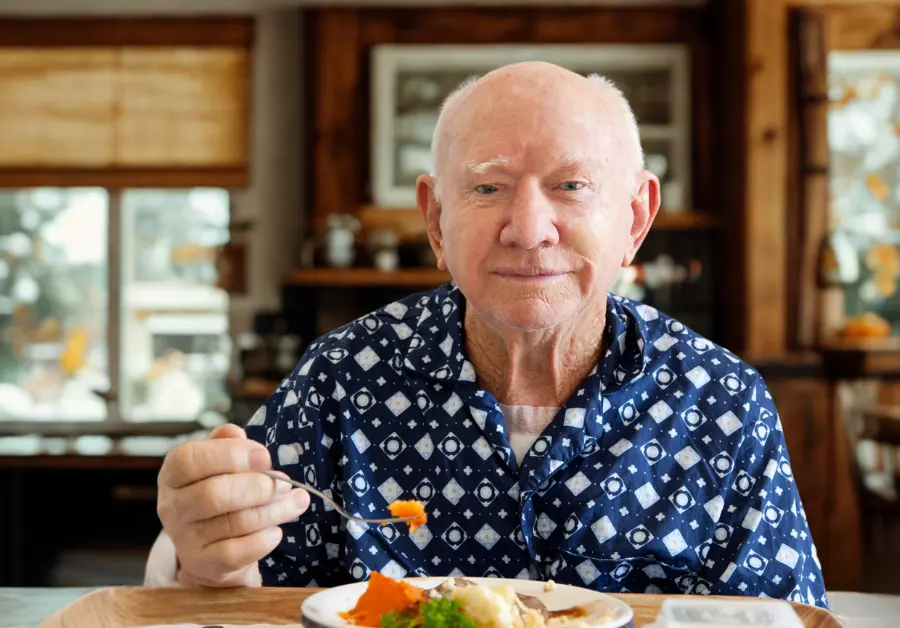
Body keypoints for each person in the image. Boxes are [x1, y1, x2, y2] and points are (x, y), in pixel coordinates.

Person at [147, 61, 828, 608]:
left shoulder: (721, 402)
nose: (528, 229)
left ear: (635, 218)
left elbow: (782, 617)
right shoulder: (340, 379)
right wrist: (198, 556)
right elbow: (238, 594)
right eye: (487, 188)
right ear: (436, 220)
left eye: (571, 184)